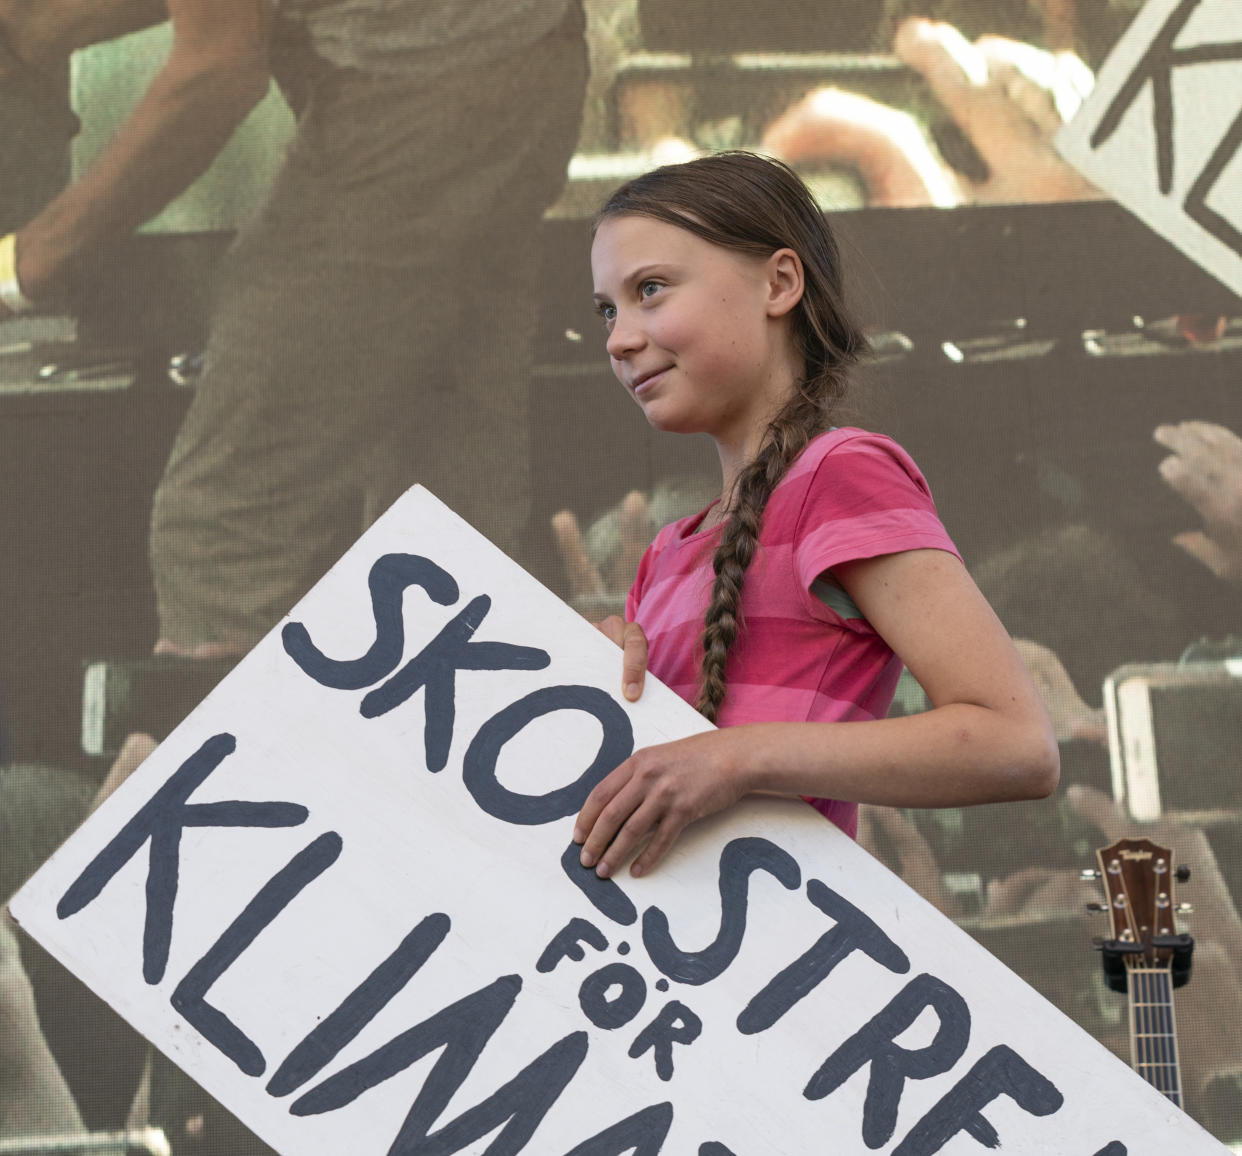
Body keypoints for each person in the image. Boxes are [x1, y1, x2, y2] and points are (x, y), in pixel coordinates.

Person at [0, 0, 587, 658]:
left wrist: (25, 264)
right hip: (517, 55)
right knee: (439, 495)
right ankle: (422, 749)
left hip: (417, 90)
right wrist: (29, 36)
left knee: (227, 526)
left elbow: (218, 69)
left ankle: (235, 751)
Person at [573, 150, 1060, 882]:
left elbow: (1014, 741)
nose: (618, 338)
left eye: (651, 290)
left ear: (779, 283)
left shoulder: (840, 474)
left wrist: (734, 757)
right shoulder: (667, 552)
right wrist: (591, 685)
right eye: (609, 309)